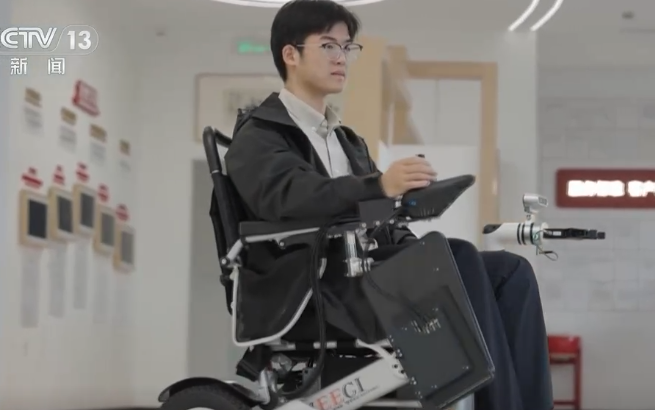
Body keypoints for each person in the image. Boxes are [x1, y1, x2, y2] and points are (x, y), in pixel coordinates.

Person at [224, 1, 553, 410]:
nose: (342, 57)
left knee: (510, 271)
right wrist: (379, 185)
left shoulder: (346, 141)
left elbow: (376, 213)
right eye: (328, 46)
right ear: (290, 54)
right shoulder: (259, 135)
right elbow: (293, 197)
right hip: (313, 285)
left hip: (360, 271)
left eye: (347, 47)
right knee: (459, 259)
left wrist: (409, 226)